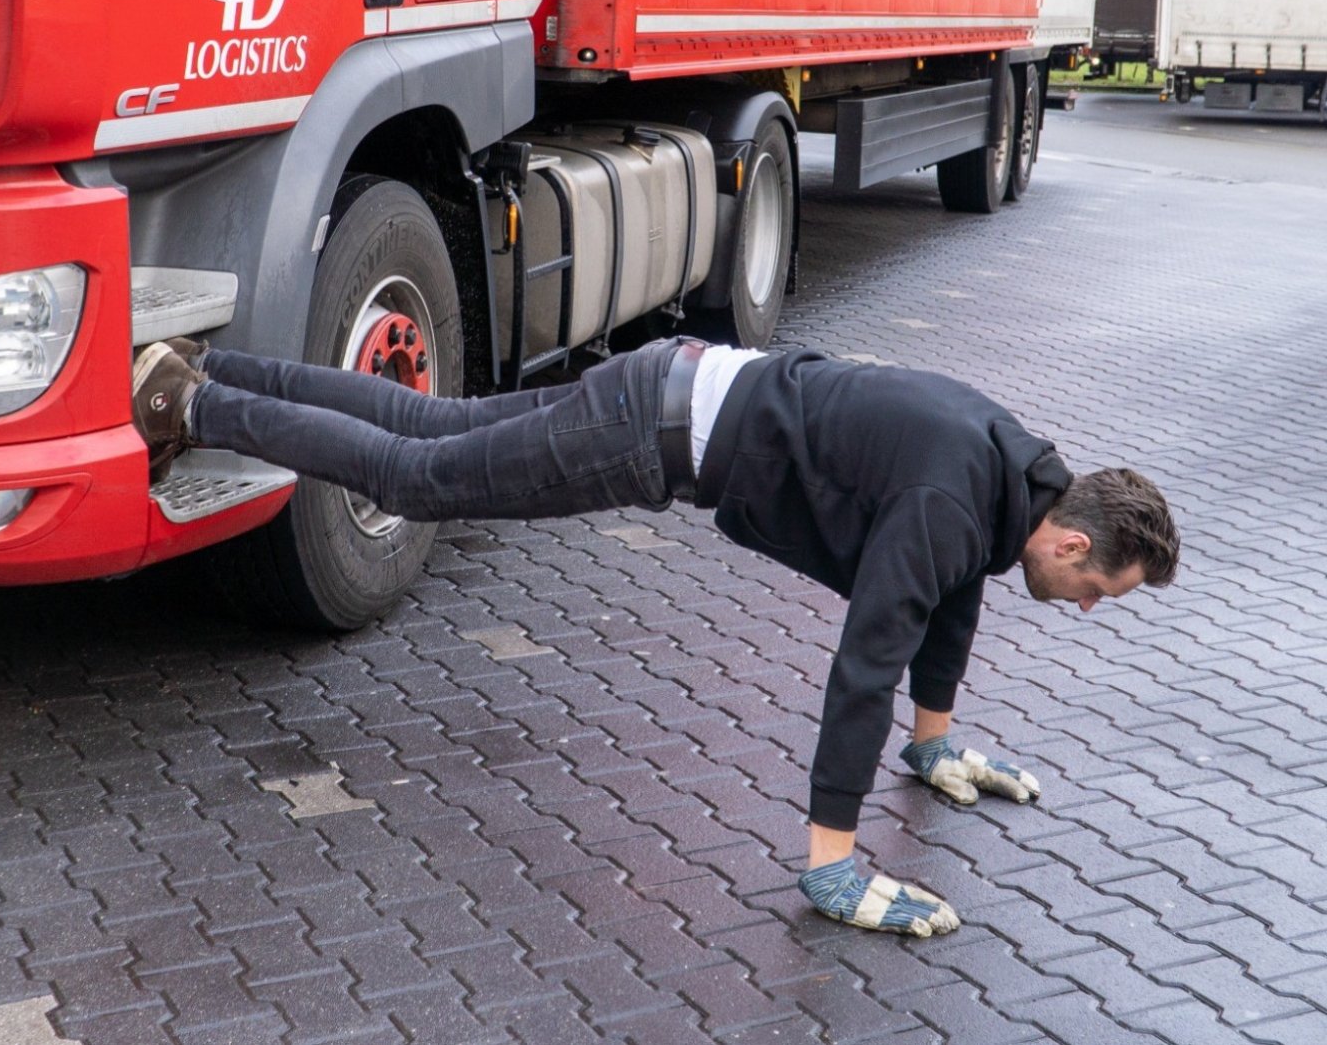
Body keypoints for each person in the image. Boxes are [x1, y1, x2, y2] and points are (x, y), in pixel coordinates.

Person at [129, 335, 1179, 937]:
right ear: (1072, 538)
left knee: (435, 427)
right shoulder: (955, 504)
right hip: (649, 429)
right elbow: (866, 664)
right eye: (1098, 588)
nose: (1087, 605)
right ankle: (191, 402)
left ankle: (206, 366)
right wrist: (834, 863)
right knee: (416, 476)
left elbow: (951, 599)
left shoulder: (1010, 471)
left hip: (674, 380)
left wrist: (933, 742)